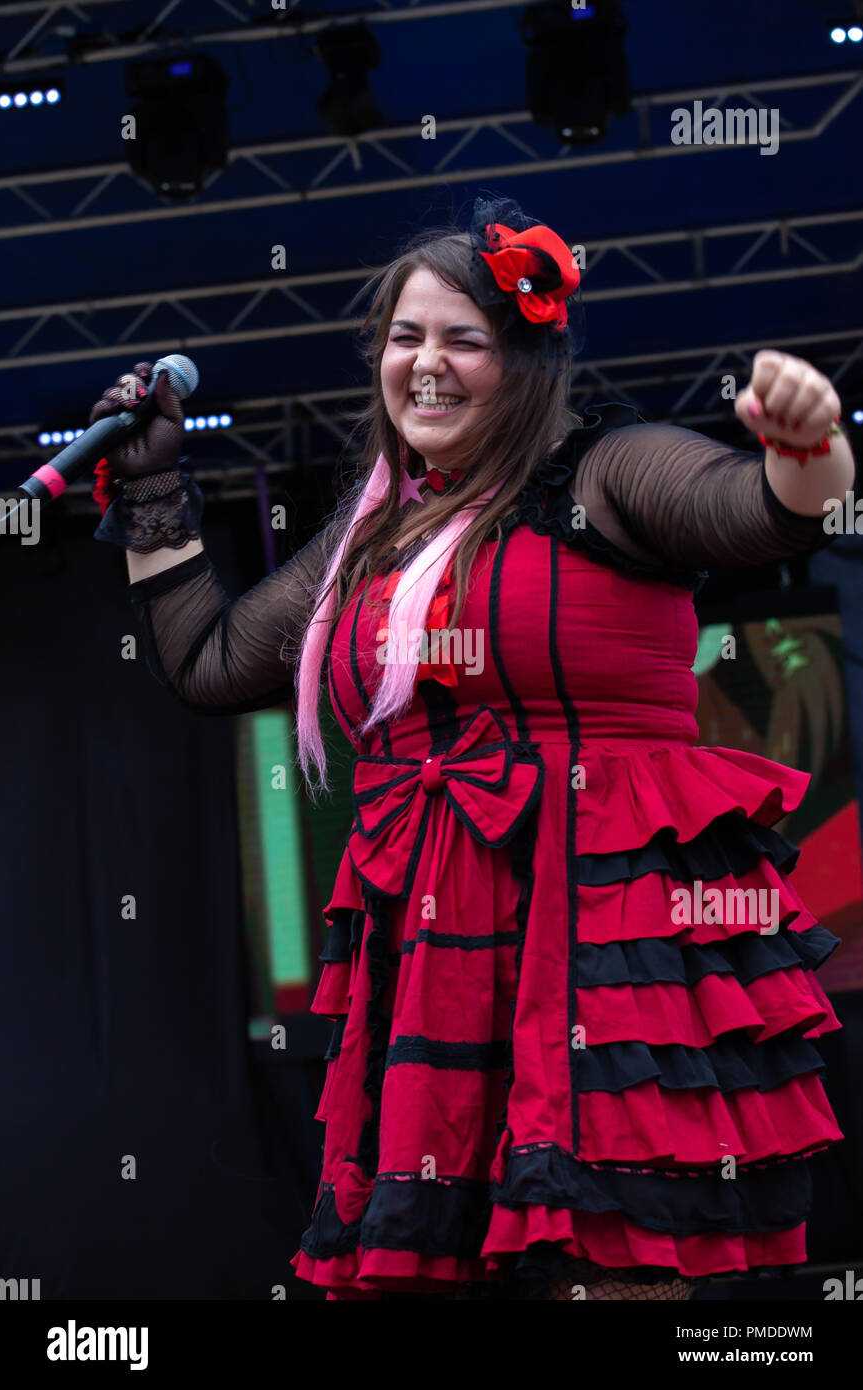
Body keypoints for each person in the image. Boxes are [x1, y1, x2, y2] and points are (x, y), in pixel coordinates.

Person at [89, 194, 856, 1301]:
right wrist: (156, 488)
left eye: (463, 338)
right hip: (435, 951)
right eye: (405, 337)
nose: (427, 364)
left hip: (598, 931)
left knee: (602, 1264)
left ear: (527, 359)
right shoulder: (369, 537)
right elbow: (207, 661)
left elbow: (757, 508)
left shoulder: (599, 477)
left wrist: (806, 455)